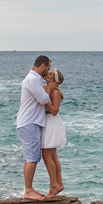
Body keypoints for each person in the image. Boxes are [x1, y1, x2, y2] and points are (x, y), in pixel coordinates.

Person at [16, 55, 54, 201]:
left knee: (29, 158)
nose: (48, 72)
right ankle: (28, 190)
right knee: (32, 158)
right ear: (43, 66)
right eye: (48, 68)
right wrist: (50, 88)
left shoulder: (33, 78)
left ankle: (29, 189)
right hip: (30, 122)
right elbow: (43, 99)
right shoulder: (32, 80)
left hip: (28, 122)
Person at [40, 69, 66, 197]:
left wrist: (45, 101)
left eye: (50, 74)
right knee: (53, 156)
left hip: (51, 123)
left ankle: (53, 186)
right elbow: (37, 86)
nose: (47, 74)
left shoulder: (55, 92)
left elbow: (55, 110)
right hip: (47, 122)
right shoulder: (48, 88)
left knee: (47, 156)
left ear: (55, 79)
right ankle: (59, 184)